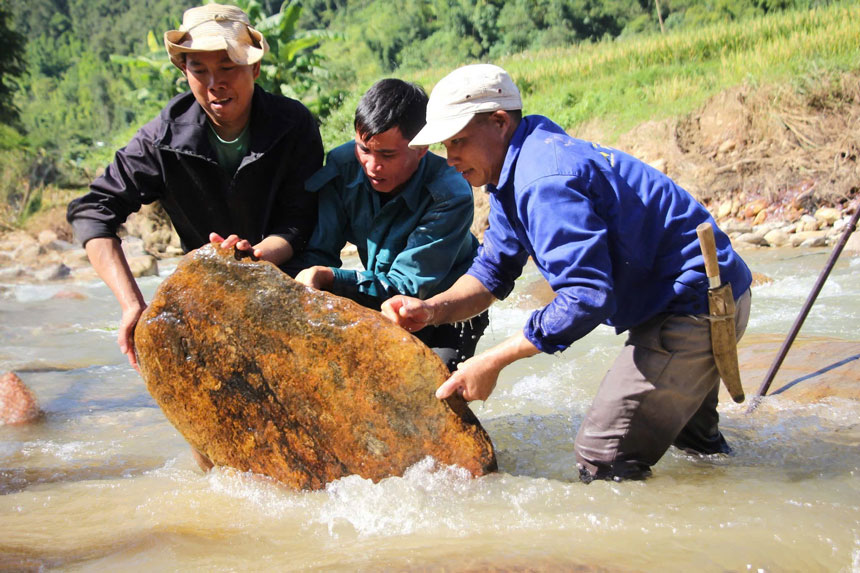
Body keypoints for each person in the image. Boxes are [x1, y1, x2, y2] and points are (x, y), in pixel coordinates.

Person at [381, 64, 753, 482]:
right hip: (708, 292)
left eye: (459, 142)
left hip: (695, 306)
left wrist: (492, 361)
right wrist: (429, 310)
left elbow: (586, 297)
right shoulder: (514, 168)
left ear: (500, 122)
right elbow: (491, 272)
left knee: (603, 457)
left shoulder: (544, 180)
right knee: (700, 452)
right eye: (446, 146)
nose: (451, 160)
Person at [66, 4, 323, 371]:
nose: (214, 83)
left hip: (287, 282)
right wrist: (131, 304)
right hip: (208, 296)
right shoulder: (162, 138)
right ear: (184, 72)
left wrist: (254, 257)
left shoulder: (293, 124)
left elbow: (300, 221)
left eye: (227, 67)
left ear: (255, 67)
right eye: (198, 69)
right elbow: (92, 211)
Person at [289, 78, 488, 372]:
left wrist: (331, 277)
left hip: (447, 308)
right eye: (364, 149)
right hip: (379, 296)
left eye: (387, 155)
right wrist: (312, 278)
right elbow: (320, 251)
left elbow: (407, 286)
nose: (371, 165)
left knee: (438, 383)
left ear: (421, 148)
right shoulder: (343, 166)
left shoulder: (450, 193)